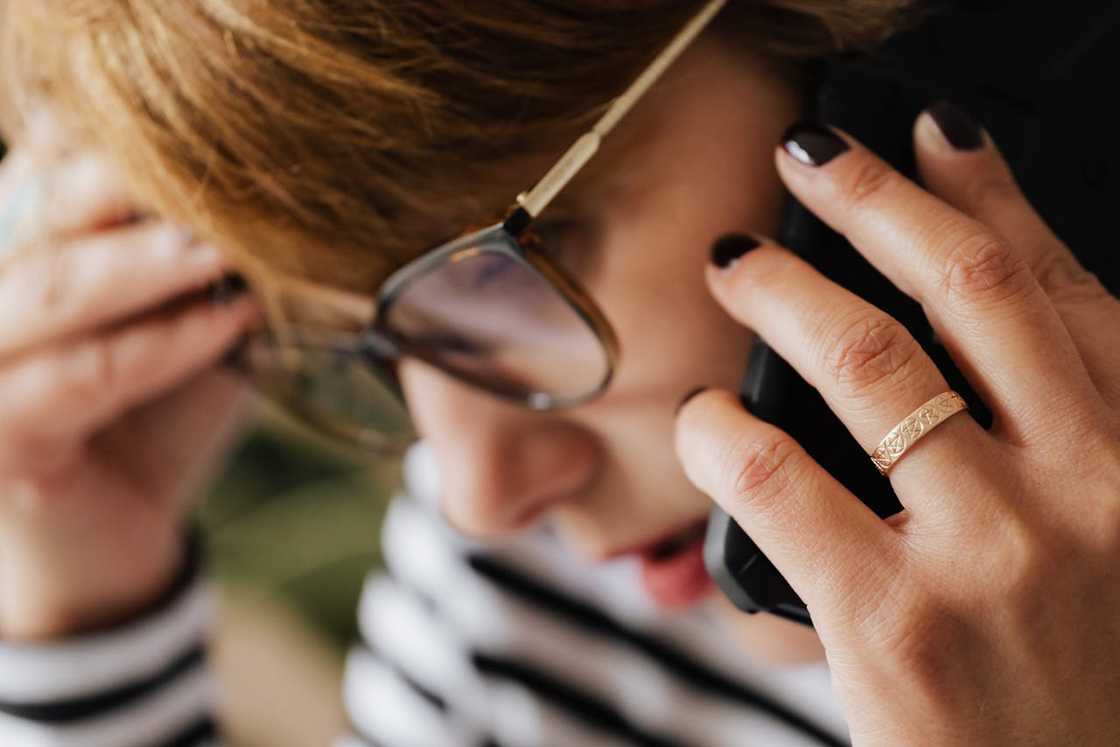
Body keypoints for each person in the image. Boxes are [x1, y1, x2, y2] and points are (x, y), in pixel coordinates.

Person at [0, 0, 1118, 745]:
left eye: (497, 275)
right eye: (371, 349)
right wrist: (90, 623)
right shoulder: (528, 597)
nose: (481, 495)